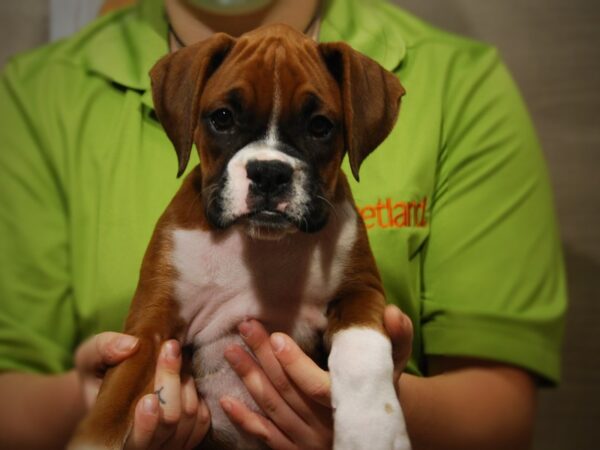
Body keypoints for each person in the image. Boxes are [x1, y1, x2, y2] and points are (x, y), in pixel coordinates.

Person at [0, 0, 566, 449]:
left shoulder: (455, 81)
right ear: (187, 109)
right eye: (224, 120)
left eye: (317, 128)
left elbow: (504, 419)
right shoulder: (39, 92)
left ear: (354, 127)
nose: (268, 165)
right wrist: (100, 399)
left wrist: (362, 410)